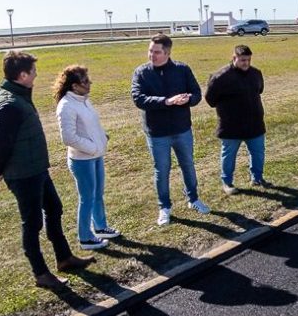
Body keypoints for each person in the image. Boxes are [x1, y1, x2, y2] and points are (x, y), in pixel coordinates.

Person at [0, 52, 94, 289]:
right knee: (32, 223)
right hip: (23, 174)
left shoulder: (18, 95)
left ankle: (64, 258)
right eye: (32, 71)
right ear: (22, 75)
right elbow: (1, 143)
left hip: (36, 167)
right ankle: (40, 273)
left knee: (54, 208)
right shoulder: (10, 104)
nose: (36, 74)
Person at [131, 33, 209, 225]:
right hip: (157, 133)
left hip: (182, 130)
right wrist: (166, 101)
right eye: (150, 51)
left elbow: (197, 93)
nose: (152, 55)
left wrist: (188, 99)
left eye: (156, 52)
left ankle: (193, 199)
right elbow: (138, 99)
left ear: (167, 53)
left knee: (188, 165)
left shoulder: (182, 69)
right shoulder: (141, 72)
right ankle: (164, 207)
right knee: (162, 170)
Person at [54, 65, 121, 250]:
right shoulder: (66, 105)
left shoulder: (83, 100)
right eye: (85, 82)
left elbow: (91, 125)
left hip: (96, 155)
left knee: (97, 194)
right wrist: (92, 147)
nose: (89, 84)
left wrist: (101, 137)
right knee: (87, 198)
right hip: (82, 160)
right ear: (74, 86)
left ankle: (100, 227)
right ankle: (85, 238)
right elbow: (68, 137)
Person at [205, 44, 271, 194]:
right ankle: (227, 183)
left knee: (258, 153)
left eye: (248, 60)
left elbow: (259, 89)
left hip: (254, 124)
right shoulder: (220, 77)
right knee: (228, 155)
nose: (246, 63)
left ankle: (257, 178)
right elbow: (210, 99)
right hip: (231, 126)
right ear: (234, 58)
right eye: (242, 60)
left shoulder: (256, 74)